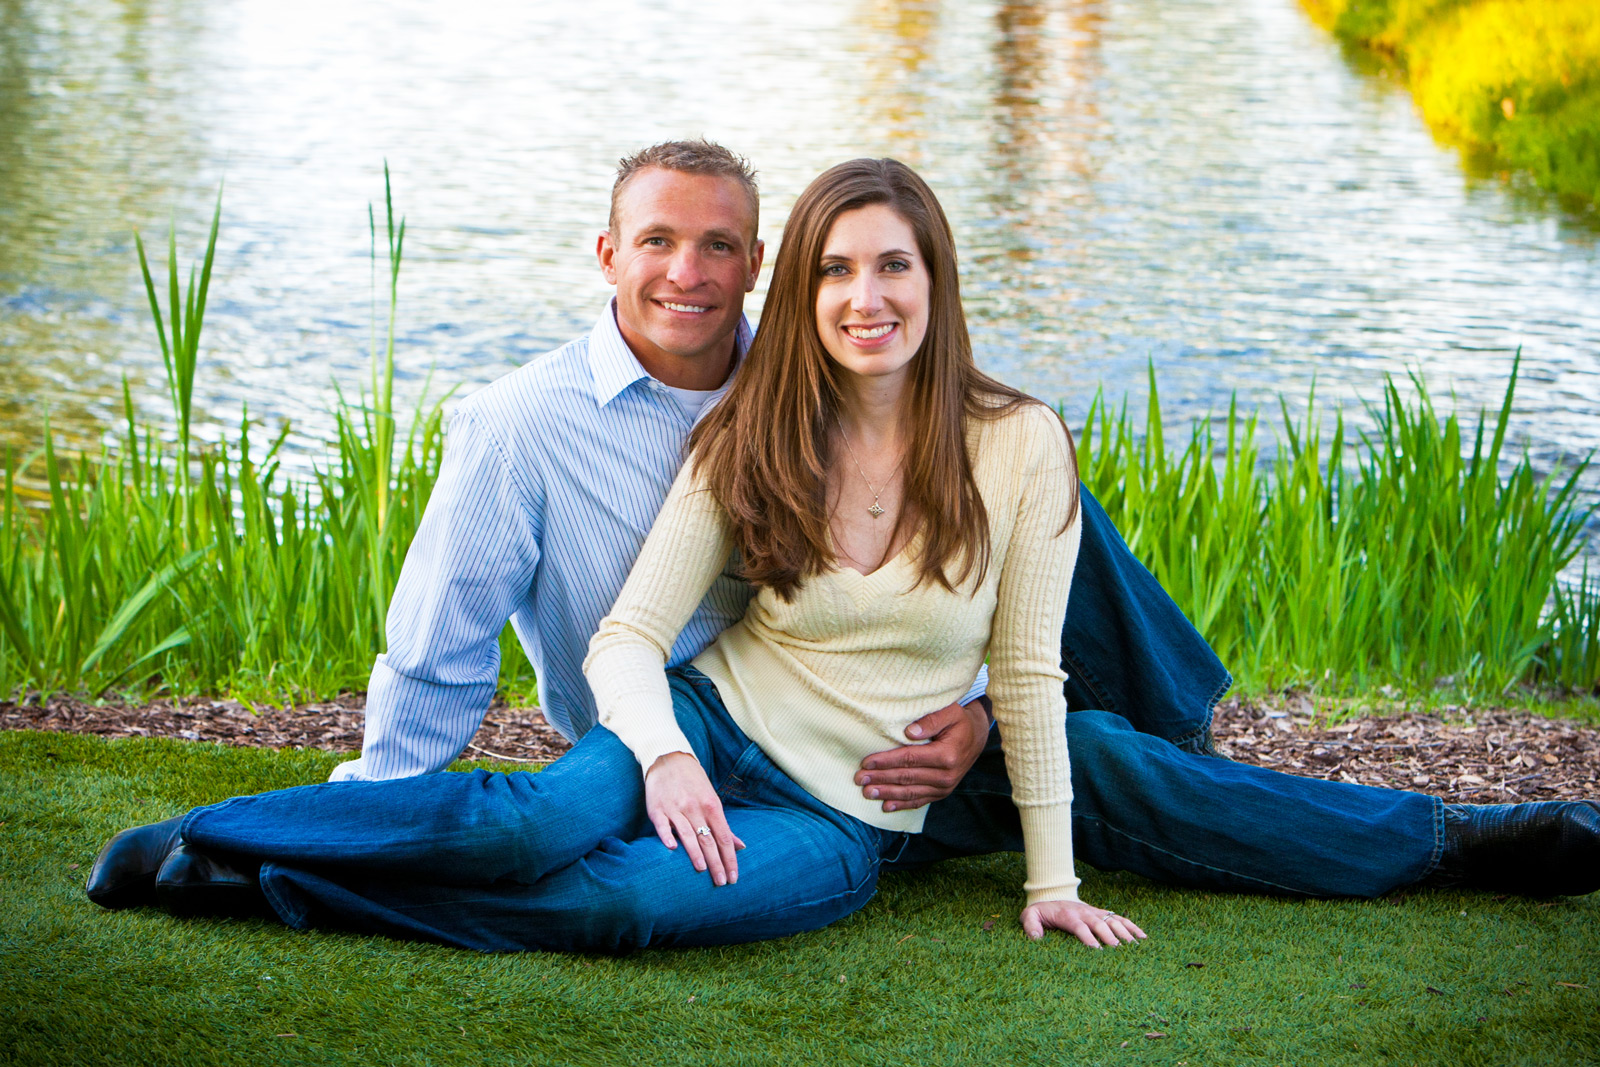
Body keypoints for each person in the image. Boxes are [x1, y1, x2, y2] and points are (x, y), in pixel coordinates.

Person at [86, 144, 1598, 935]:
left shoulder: (1003, 435)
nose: (861, 297)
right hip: (686, 732)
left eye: (890, 269)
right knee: (540, 827)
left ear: (927, 279)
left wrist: (1033, 861)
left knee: (1105, 776)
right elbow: (528, 651)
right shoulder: (693, 423)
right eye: (838, 273)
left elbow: (1023, 667)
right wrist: (657, 753)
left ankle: (1454, 847)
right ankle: (223, 847)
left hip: (868, 796)